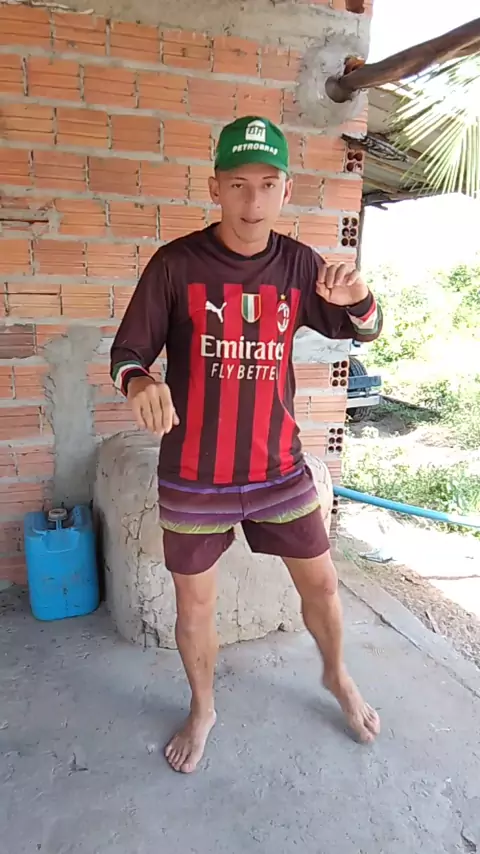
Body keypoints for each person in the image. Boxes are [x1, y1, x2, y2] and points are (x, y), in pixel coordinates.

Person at [110, 116, 383, 774]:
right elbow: (127, 353)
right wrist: (141, 382)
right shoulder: (176, 264)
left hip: (277, 468)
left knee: (323, 584)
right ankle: (203, 707)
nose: (252, 200)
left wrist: (360, 298)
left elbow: (364, 329)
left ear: (286, 190)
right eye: (238, 184)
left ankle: (337, 675)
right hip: (194, 472)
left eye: (266, 184)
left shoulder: (299, 264)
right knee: (195, 604)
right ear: (216, 188)